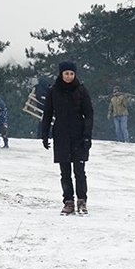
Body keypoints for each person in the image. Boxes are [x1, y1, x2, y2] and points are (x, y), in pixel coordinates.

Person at [41, 61, 94, 215]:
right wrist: (45, 134)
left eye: (71, 73)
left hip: (79, 135)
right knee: (65, 172)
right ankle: (68, 201)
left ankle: (82, 200)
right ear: (61, 74)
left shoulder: (81, 90)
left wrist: (87, 135)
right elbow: (47, 114)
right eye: (66, 73)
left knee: (80, 171)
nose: (69, 76)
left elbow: (89, 113)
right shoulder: (53, 91)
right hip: (61, 134)